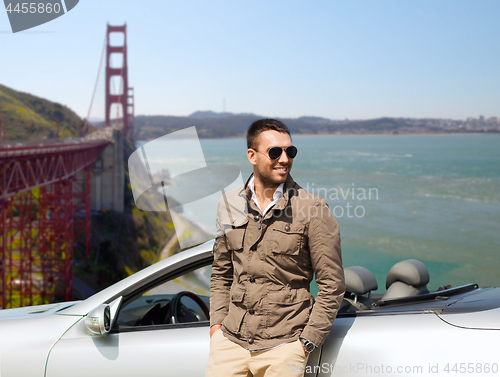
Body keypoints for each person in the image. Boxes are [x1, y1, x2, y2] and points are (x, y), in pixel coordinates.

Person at [206, 119, 345, 377]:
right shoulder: (229, 204)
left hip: (284, 346)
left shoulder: (313, 209)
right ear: (252, 156)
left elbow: (332, 284)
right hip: (230, 343)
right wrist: (216, 327)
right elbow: (221, 273)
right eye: (274, 152)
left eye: (290, 151)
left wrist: (305, 343)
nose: (284, 159)